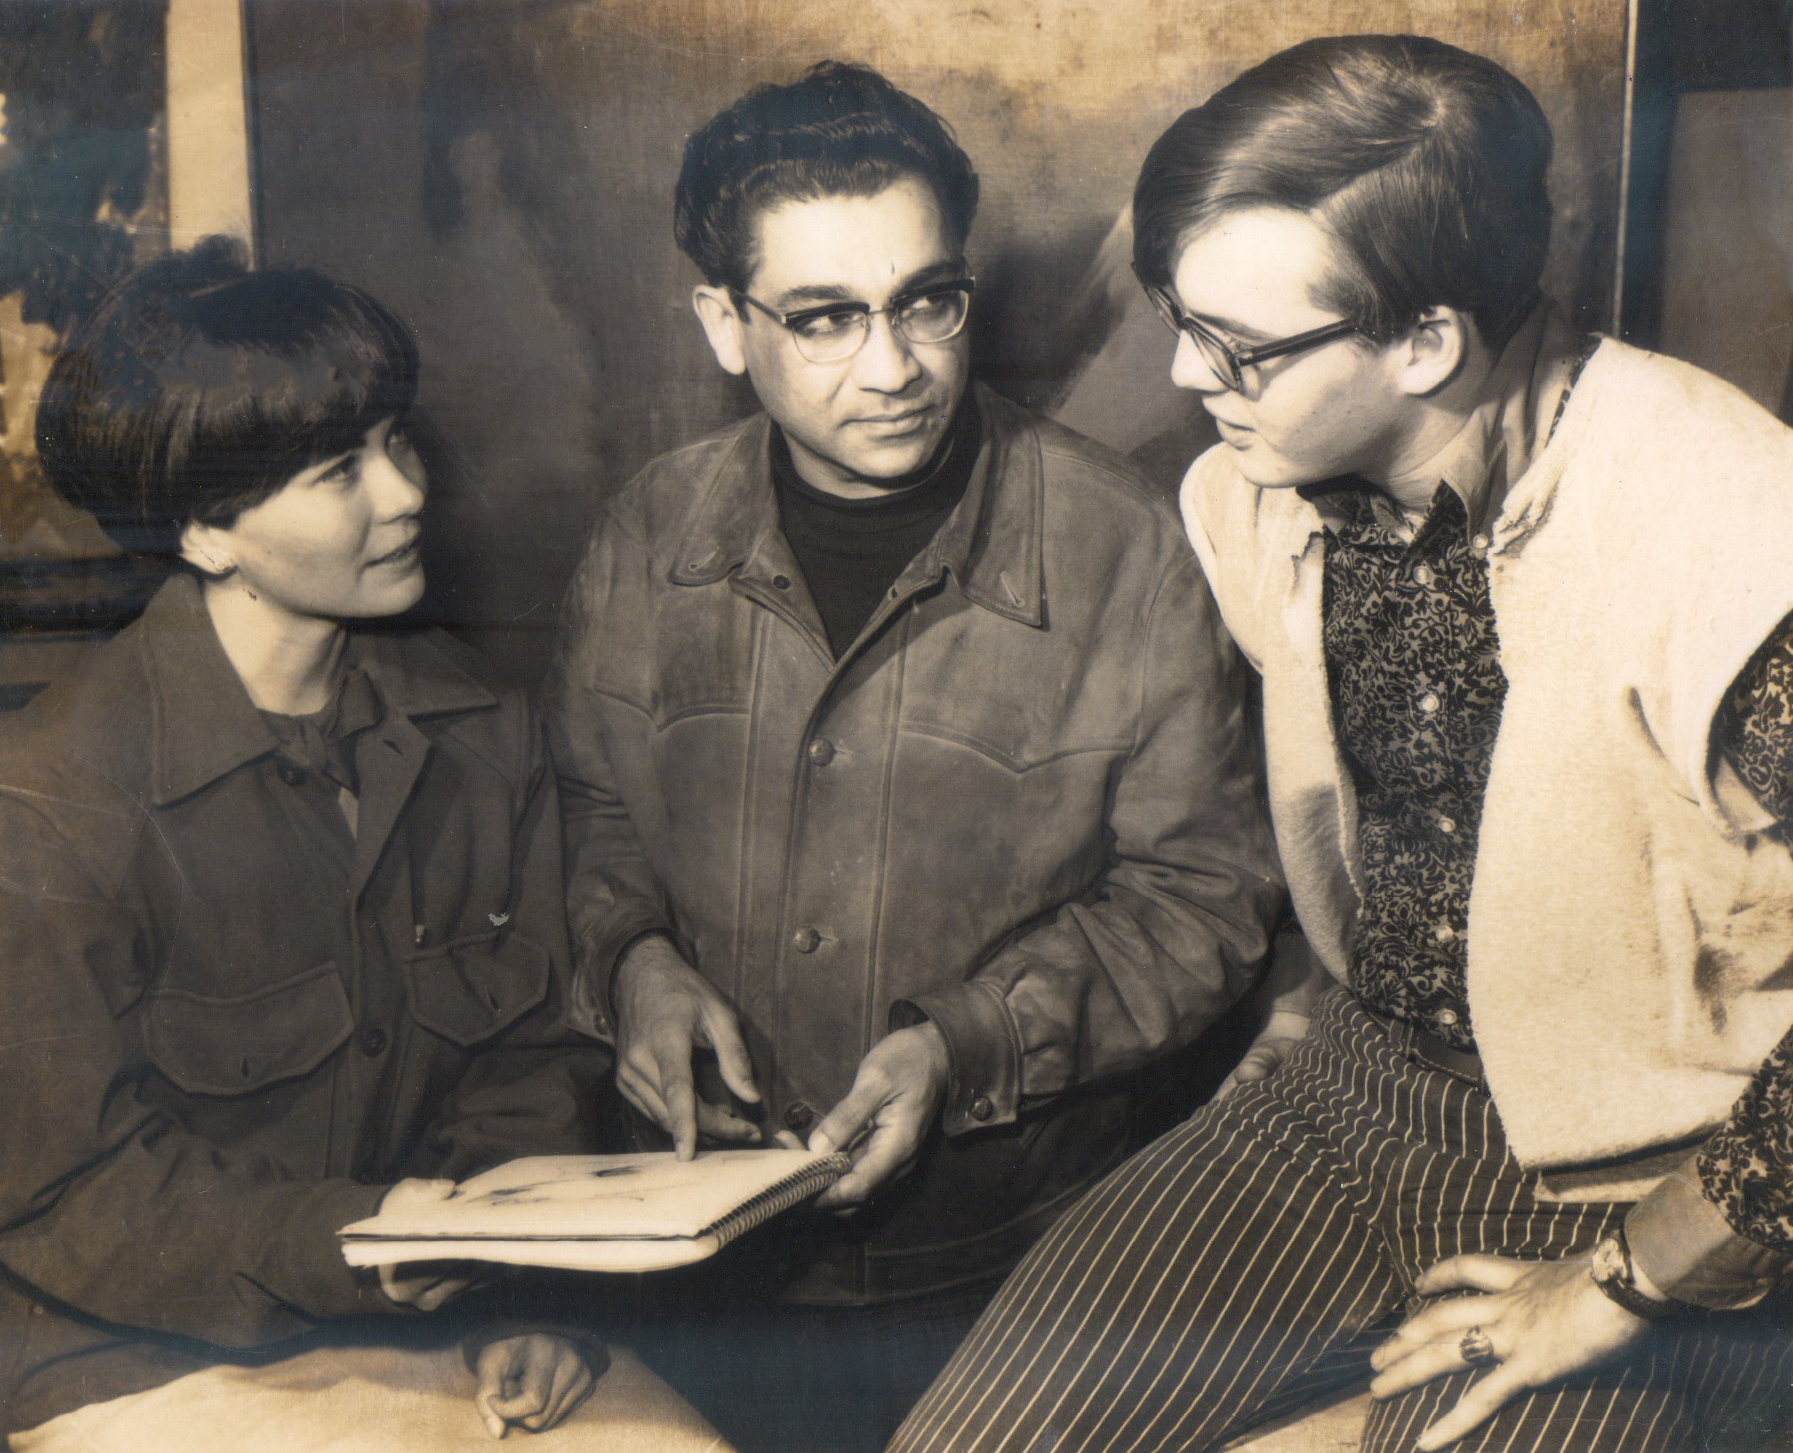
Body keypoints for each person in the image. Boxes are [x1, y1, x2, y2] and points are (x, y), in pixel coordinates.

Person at [892, 34, 1793, 1453]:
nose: (1188, 375)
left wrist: (1638, 1276)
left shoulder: (1735, 527)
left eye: (1240, 347)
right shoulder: (1254, 494)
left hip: (1654, 1170)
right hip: (1351, 1096)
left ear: (1427, 343)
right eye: (1175, 318)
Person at [544, 60, 1284, 1453]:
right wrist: (630, 964)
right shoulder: (644, 536)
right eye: (821, 319)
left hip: (1009, 1280)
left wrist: (965, 1039)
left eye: (925, 301)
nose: (892, 368)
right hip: (689, 1267)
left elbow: (1204, 899)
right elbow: (593, 814)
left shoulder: (1125, 544)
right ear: (722, 322)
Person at [0, 240, 726, 1452]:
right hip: (128, 1351)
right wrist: (374, 1245)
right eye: (340, 469)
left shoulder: (483, 734)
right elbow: (68, 1194)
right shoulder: (48, 799)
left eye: (395, 440)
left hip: (433, 1322)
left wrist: (521, 1282)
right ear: (207, 535)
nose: (405, 491)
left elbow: (527, 1061)